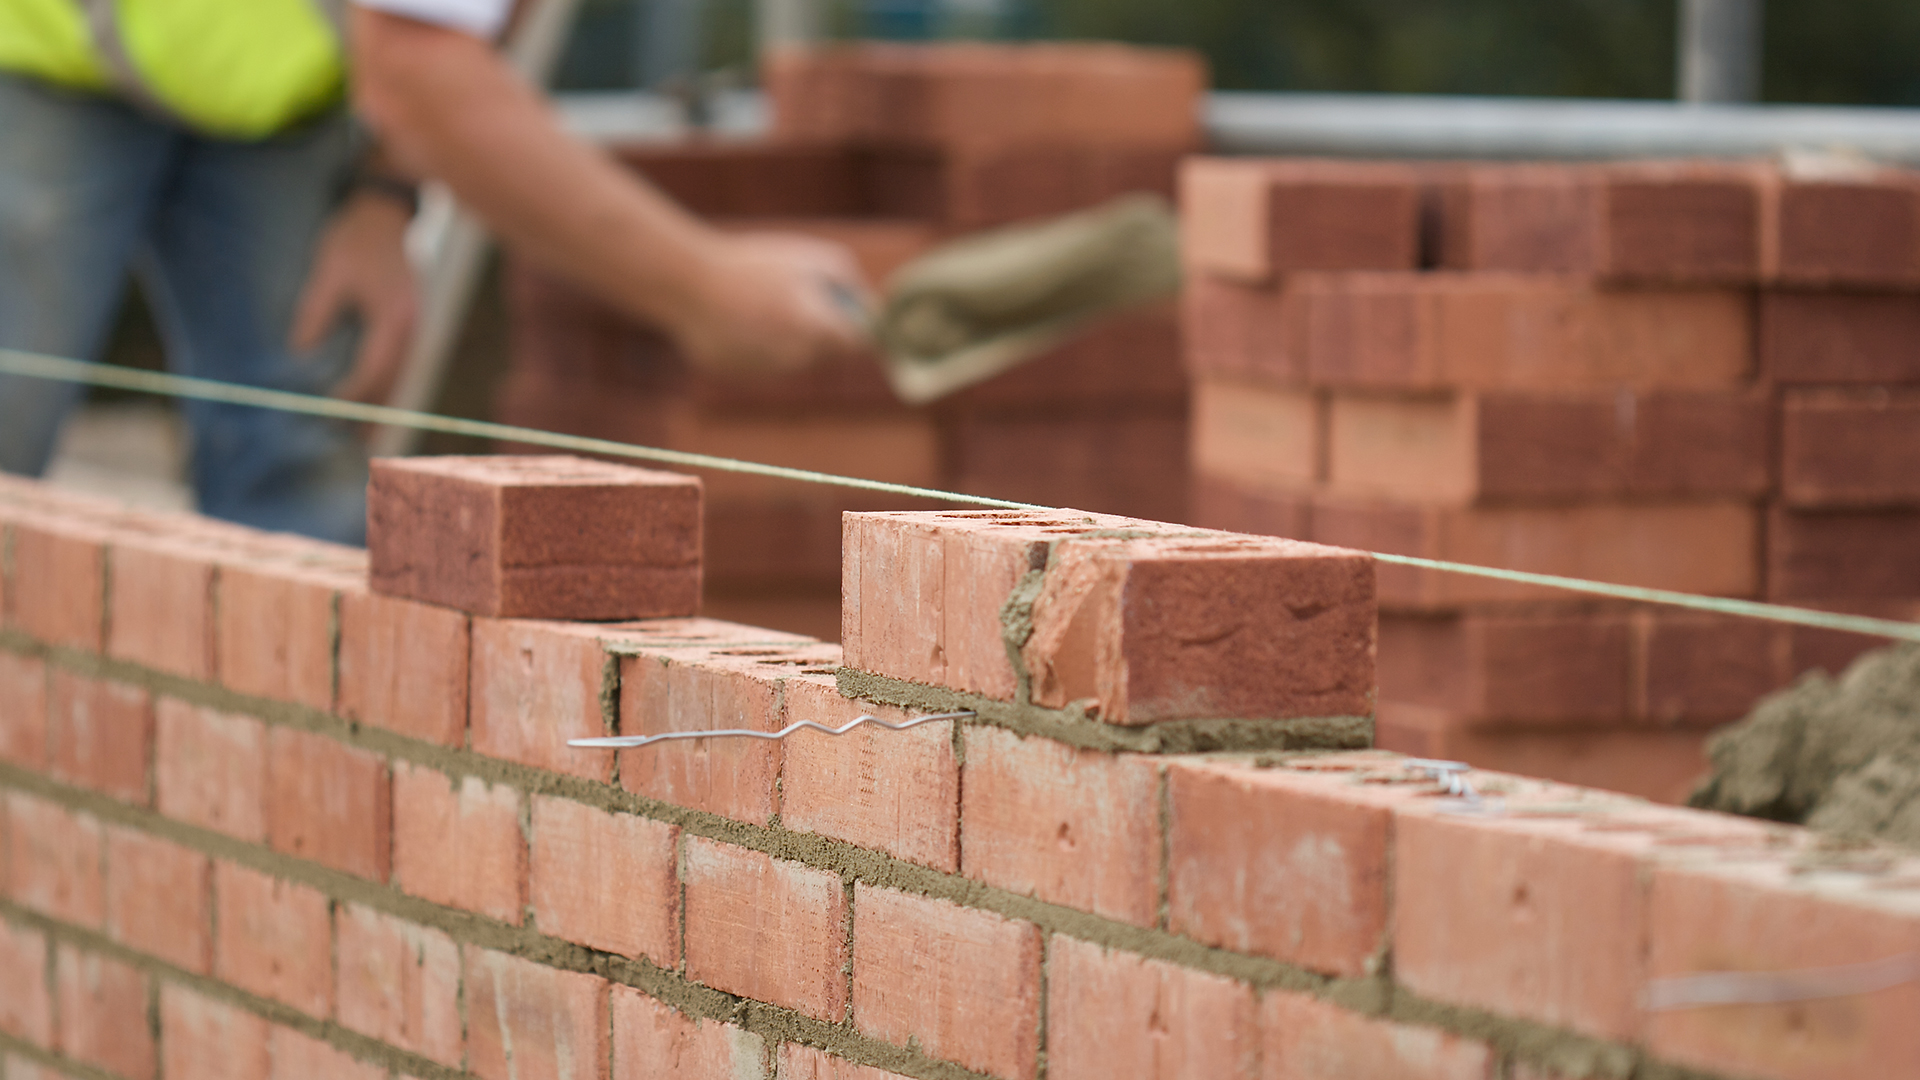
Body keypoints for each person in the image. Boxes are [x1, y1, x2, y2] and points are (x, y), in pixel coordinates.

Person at [0, 0, 869, 544]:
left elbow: (467, 25)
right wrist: (708, 289)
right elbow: (421, 69)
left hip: (278, 93)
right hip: (43, 53)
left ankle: (297, 772)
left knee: (300, 446)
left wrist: (383, 198)